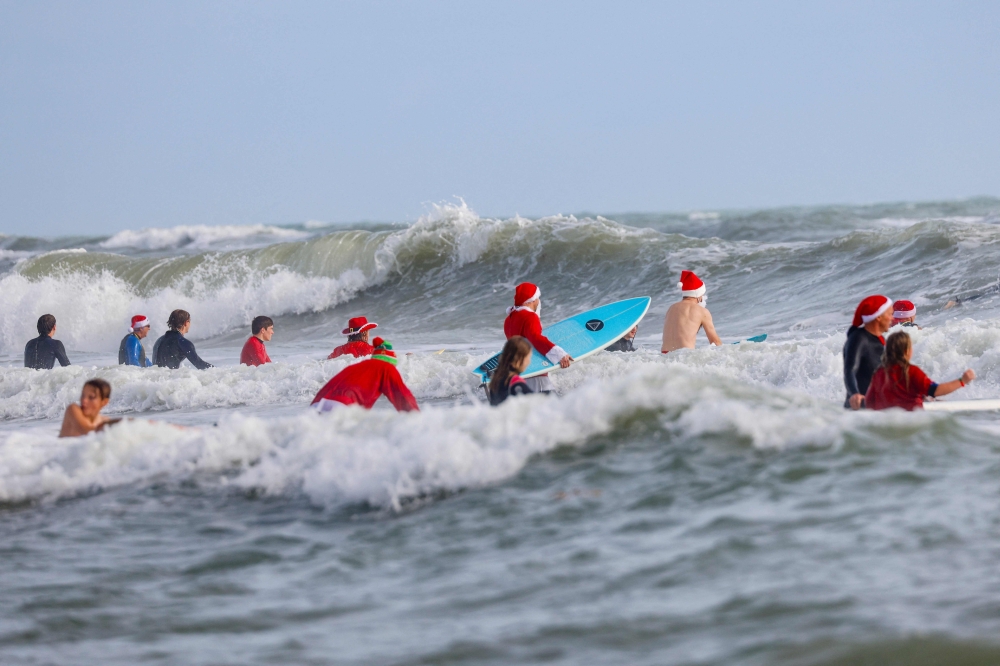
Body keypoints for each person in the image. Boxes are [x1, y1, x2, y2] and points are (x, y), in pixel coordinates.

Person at [865, 331, 975, 411]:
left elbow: (869, 403)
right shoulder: (911, 372)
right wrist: (962, 381)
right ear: (906, 351)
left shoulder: (879, 374)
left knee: (927, 398)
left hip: (887, 424)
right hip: (913, 423)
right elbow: (936, 391)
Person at [311, 338, 419, 412]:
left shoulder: (354, 367)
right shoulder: (386, 368)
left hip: (317, 404)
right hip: (341, 406)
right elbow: (403, 398)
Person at [503, 282, 572, 393]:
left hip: (521, 376)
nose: (539, 301)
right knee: (552, 408)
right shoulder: (530, 317)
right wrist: (560, 354)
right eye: (538, 298)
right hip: (537, 379)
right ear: (532, 300)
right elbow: (535, 338)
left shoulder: (509, 319)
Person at [844, 294, 893, 410]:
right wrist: (855, 394)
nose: (893, 318)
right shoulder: (859, 338)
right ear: (878, 317)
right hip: (861, 407)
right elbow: (850, 369)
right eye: (890, 314)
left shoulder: (879, 341)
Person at [661, 271, 721, 353]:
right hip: (684, 355)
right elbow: (715, 342)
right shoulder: (702, 311)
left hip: (664, 356)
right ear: (699, 295)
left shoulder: (671, 308)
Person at [488, 336, 535, 406]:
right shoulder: (515, 382)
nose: (529, 362)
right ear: (518, 359)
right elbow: (536, 404)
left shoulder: (496, 379)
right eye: (528, 357)